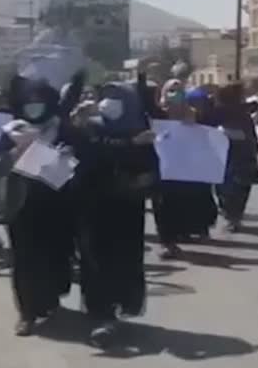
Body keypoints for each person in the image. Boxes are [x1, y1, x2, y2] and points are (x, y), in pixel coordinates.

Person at [74, 81, 158, 347]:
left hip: (125, 207)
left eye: (114, 97)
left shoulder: (142, 129)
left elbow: (152, 167)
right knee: (94, 258)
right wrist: (127, 143)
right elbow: (86, 153)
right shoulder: (90, 127)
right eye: (104, 96)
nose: (107, 102)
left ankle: (117, 308)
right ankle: (102, 314)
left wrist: (133, 150)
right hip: (92, 204)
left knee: (123, 258)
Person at [3, 71, 84, 337]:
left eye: (39, 101)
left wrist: (70, 155)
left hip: (57, 204)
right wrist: (14, 154)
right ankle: (26, 313)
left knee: (56, 255)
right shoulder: (11, 131)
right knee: (24, 259)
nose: (34, 106)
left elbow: (83, 159)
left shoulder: (63, 129)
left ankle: (50, 300)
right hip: (21, 205)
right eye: (29, 101)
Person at [152, 79, 218, 259]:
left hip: (183, 167)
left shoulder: (191, 112)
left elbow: (202, 134)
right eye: (171, 90)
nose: (174, 94)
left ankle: (183, 233)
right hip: (163, 166)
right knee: (162, 204)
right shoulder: (158, 113)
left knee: (181, 202)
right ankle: (167, 242)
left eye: (178, 90)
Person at [215, 82, 258, 232]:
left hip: (241, 157)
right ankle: (230, 217)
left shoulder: (243, 114)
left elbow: (248, 136)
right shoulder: (219, 112)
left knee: (240, 189)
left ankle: (235, 218)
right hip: (224, 157)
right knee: (224, 190)